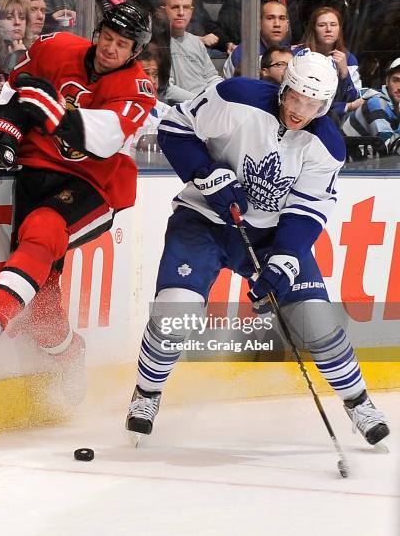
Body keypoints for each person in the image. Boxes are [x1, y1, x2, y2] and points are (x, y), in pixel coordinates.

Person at [125, 49, 390, 447]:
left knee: (316, 323)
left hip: (268, 238)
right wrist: (205, 172)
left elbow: (306, 211)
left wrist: (283, 261)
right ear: (283, 87)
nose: (300, 110)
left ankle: (359, 403)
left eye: (313, 103)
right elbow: (176, 129)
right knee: (174, 311)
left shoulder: (328, 145)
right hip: (205, 220)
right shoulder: (236, 97)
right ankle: (146, 393)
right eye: (296, 97)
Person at [0, 3, 155, 377]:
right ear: (98, 33)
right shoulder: (57, 48)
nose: (110, 49)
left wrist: (50, 110)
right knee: (42, 305)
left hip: (93, 186)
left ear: (135, 52)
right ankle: (70, 355)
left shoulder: (137, 89)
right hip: (37, 173)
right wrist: (6, 130)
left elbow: (102, 138)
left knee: (44, 229)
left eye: (122, 45)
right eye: (108, 38)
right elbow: (16, 92)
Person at [296, 6, 362, 118]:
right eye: (322, 25)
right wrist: (342, 107)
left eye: (333, 24)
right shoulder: (299, 55)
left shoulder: (348, 58)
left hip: (336, 120)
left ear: (339, 29)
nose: (328, 29)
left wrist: (345, 74)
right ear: (313, 29)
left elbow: (354, 99)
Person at [162, 0, 222, 103]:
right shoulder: (156, 44)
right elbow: (167, 89)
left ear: (191, 11)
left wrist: (219, 93)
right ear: (163, 11)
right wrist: (201, 101)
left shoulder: (197, 42)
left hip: (205, 105)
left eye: (186, 7)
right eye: (175, 7)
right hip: (180, 111)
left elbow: (212, 77)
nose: (181, 12)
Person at [342, 57, 400, 154]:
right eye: (396, 80)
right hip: (351, 165)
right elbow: (391, 149)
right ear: (387, 81)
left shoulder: (395, 105)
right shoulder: (376, 103)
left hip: (373, 164)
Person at [223, 1, 290, 78]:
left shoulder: (290, 52)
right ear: (259, 23)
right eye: (270, 18)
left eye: (282, 18)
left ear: (287, 25)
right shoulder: (242, 54)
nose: (277, 24)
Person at [0, 0, 32, 75]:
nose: (17, 22)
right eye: (9, 17)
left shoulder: (33, 51)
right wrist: (16, 57)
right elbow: (2, 82)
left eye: (22, 18)